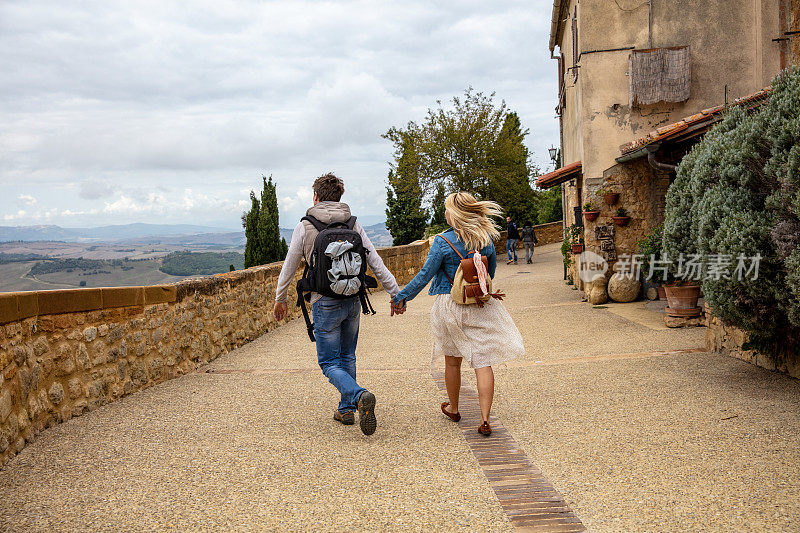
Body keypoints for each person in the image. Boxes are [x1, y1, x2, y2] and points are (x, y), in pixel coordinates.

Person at [273, 173, 401, 436]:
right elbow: (375, 261)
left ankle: (358, 395)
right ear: (339, 197)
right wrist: (395, 293)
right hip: (354, 298)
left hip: (324, 301)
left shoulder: (305, 226)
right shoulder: (353, 225)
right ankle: (346, 410)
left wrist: (280, 298)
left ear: (316, 197)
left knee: (329, 363)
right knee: (347, 355)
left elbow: (289, 266)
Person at [391, 192, 525, 436]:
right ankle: (485, 419)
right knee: (483, 363)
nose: (445, 214)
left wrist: (402, 297)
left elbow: (424, 276)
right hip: (479, 304)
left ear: (454, 214)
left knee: (452, 361)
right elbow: (490, 272)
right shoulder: (485, 239)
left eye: (447, 209)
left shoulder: (442, 241)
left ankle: (454, 408)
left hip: (449, 306)